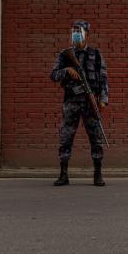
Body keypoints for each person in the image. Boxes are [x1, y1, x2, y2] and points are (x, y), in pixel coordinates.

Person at [49, 20, 109, 187]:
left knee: (96, 138)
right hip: (71, 102)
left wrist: (103, 100)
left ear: (86, 34)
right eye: (74, 32)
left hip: (90, 102)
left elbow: (103, 78)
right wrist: (67, 70)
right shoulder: (65, 55)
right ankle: (63, 174)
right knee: (66, 137)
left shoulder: (96, 54)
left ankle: (98, 174)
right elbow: (53, 75)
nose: (76, 35)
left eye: (79, 32)